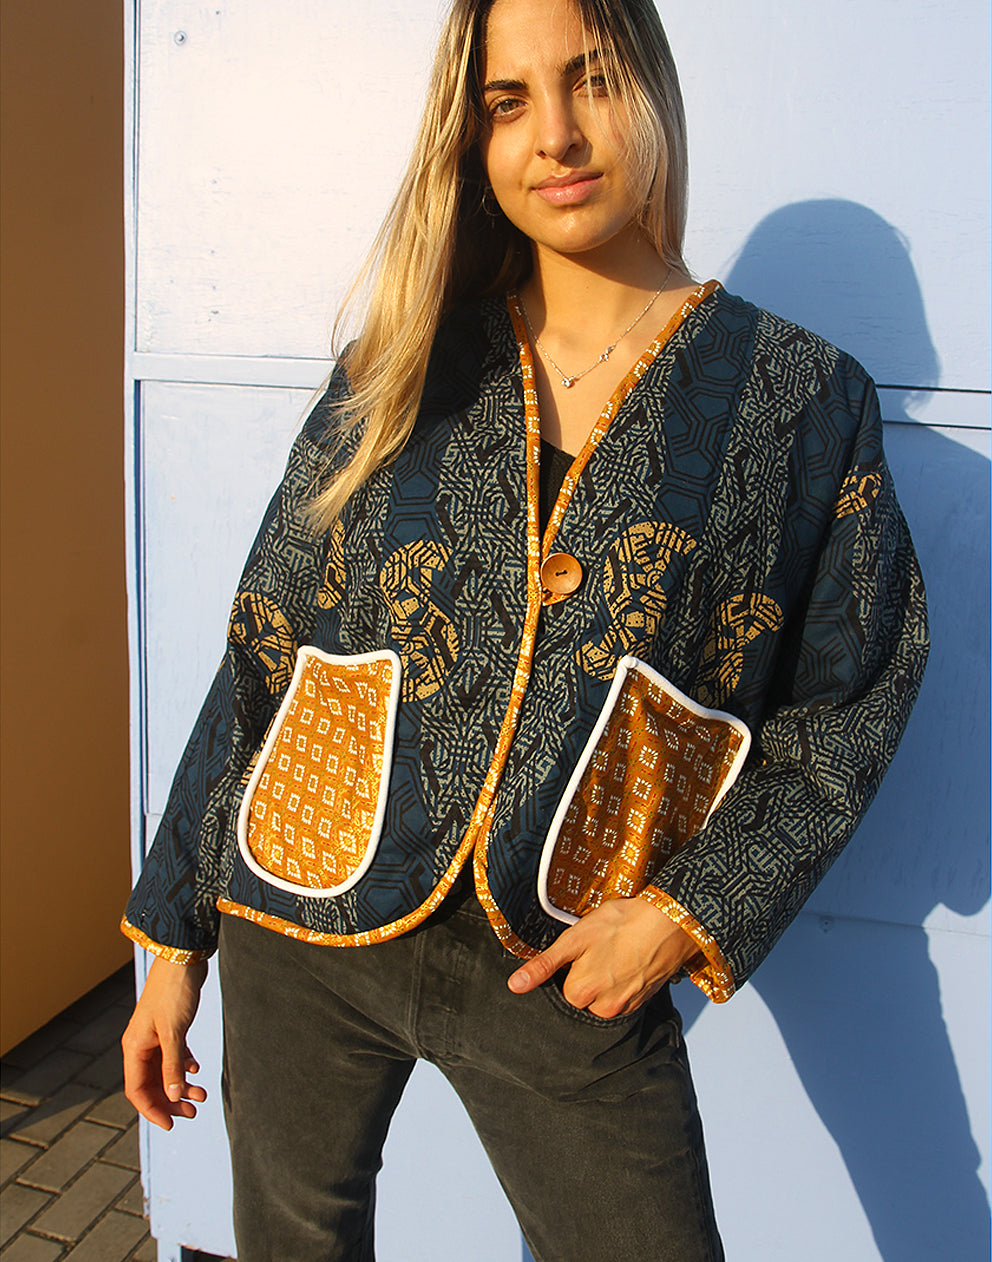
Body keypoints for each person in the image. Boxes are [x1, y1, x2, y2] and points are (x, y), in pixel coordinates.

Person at [121, 1, 929, 1258]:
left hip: (561, 957)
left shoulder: (798, 399)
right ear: (474, 137)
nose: (554, 134)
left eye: (589, 80)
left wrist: (684, 910)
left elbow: (847, 706)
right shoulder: (403, 354)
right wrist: (173, 937)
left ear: (650, 89)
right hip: (304, 912)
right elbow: (263, 647)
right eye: (507, 102)